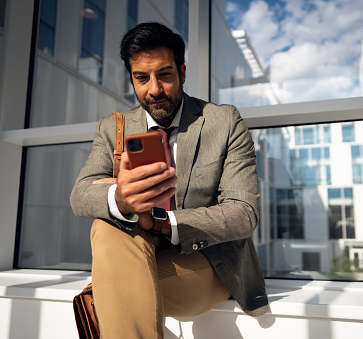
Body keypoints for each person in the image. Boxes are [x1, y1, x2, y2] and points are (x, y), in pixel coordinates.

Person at [70, 22, 268, 338]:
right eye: (141, 78)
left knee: (107, 293)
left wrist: (163, 221)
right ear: (131, 79)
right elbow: (80, 195)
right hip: (138, 252)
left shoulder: (223, 121)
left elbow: (244, 214)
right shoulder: (113, 128)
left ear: (183, 73)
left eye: (164, 74)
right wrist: (121, 201)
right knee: (105, 224)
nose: (154, 89)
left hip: (209, 263)